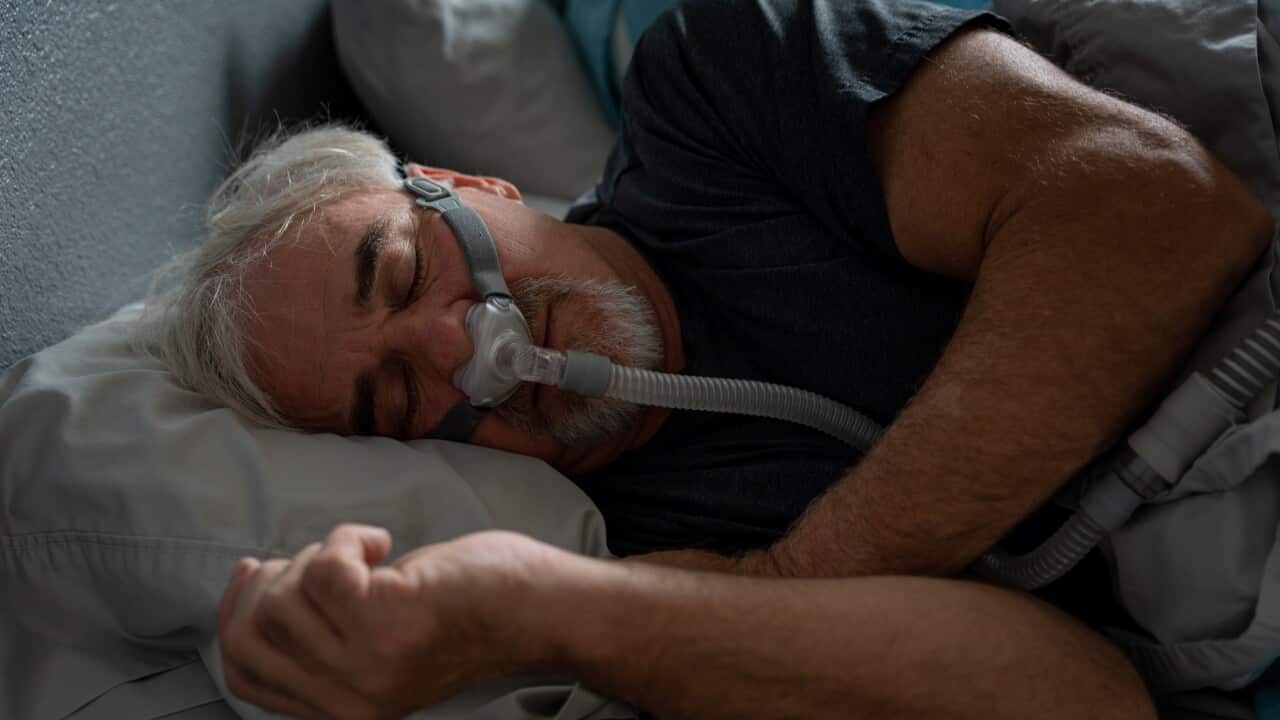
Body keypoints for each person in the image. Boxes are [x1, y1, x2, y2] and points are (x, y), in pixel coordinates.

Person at [145, 0, 1273, 717]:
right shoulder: (643, 562)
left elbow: (1149, 207)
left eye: (399, 273)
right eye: (398, 400)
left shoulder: (719, 84)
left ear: (477, 183)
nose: (460, 347)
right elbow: (1083, 703)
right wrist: (558, 611)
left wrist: (797, 584)